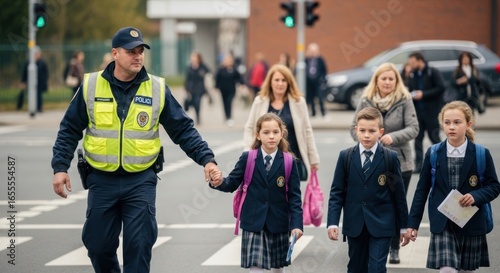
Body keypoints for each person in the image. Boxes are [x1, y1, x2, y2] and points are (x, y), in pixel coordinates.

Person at [51, 26, 222, 273]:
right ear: (115, 54)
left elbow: (183, 130)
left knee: (139, 246)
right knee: (98, 246)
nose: (138, 56)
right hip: (101, 179)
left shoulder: (156, 88)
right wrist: (60, 167)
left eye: (141, 50)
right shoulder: (91, 85)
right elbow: (69, 129)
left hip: (140, 181)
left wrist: (207, 159)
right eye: (131, 51)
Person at [404, 101, 500, 272]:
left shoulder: (480, 153)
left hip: (470, 222)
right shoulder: (433, 153)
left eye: (457, 122)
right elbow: (421, 191)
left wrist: (476, 196)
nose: (451, 127)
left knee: (464, 270)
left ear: (468, 124)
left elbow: (494, 186)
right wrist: (413, 224)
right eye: (447, 122)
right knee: (447, 269)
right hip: (443, 223)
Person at [209, 112, 303, 273]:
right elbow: (231, 183)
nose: (271, 136)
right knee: (256, 266)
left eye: (275, 132)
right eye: (266, 132)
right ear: (257, 135)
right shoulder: (248, 158)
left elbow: (295, 197)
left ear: (282, 134)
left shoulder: (289, 162)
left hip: (279, 223)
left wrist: (296, 225)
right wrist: (217, 181)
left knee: (278, 267)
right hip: (253, 222)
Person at [349, 62, 419, 264]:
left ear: (396, 81)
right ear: (377, 80)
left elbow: (413, 128)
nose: (387, 82)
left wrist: (393, 137)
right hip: (369, 165)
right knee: (373, 202)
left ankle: (394, 246)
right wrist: (366, 142)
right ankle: (371, 240)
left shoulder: (405, 100)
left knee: (395, 204)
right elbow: (354, 129)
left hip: (398, 162)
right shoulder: (366, 100)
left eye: (391, 78)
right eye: (384, 78)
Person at [327, 107, 408, 273]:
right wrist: (332, 222)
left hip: (382, 225)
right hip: (355, 226)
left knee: (377, 268)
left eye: (372, 131)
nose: (366, 135)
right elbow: (336, 193)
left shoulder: (389, 158)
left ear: (381, 131)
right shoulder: (346, 156)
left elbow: (398, 195)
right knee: (356, 268)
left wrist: (404, 227)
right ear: (356, 130)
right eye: (362, 130)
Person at [243, 64, 320, 183]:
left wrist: (313, 159)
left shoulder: (299, 102)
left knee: (292, 198)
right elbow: (249, 128)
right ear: (270, 82)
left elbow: (307, 131)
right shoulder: (260, 101)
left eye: (284, 80)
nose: (280, 83)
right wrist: (248, 151)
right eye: (277, 80)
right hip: (265, 160)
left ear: (289, 82)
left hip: (293, 160)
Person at [407, 52, 446, 173]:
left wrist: (423, 94)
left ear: (420, 60)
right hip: (418, 113)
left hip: (432, 112)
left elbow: (441, 87)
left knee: (434, 137)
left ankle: (443, 163)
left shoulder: (432, 71)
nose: (410, 65)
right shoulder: (412, 74)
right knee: (417, 139)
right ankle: (419, 165)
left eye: (412, 62)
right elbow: (411, 89)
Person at [215, 53, 243, 127]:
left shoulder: (234, 69)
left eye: (229, 60)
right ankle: (226, 117)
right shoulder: (221, 69)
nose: (228, 62)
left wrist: (241, 84)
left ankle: (230, 117)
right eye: (226, 60)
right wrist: (216, 87)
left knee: (229, 102)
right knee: (224, 103)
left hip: (232, 89)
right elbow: (217, 78)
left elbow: (239, 77)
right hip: (223, 89)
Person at [18, 46, 49, 112]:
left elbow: (46, 73)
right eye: (35, 54)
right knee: (31, 94)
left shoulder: (42, 62)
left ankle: (39, 108)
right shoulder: (28, 62)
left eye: (37, 54)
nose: (36, 55)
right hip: (31, 82)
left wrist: (45, 81)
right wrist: (23, 81)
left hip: (40, 82)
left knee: (39, 95)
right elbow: (24, 73)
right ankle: (32, 107)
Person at [184, 51, 211, 125]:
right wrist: (186, 88)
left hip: (200, 88)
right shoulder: (189, 67)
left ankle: (198, 117)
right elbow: (187, 78)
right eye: (192, 57)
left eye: (194, 57)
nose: (193, 58)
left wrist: (204, 75)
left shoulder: (202, 66)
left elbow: (209, 72)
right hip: (191, 88)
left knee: (197, 102)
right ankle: (194, 113)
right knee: (193, 102)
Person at [305, 43, 328, 118]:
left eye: (314, 51)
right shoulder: (306, 60)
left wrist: (322, 79)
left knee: (320, 97)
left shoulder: (320, 59)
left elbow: (324, 70)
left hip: (318, 82)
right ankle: (313, 112)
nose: (312, 53)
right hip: (309, 82)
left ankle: (323, 112)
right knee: (311, 98)